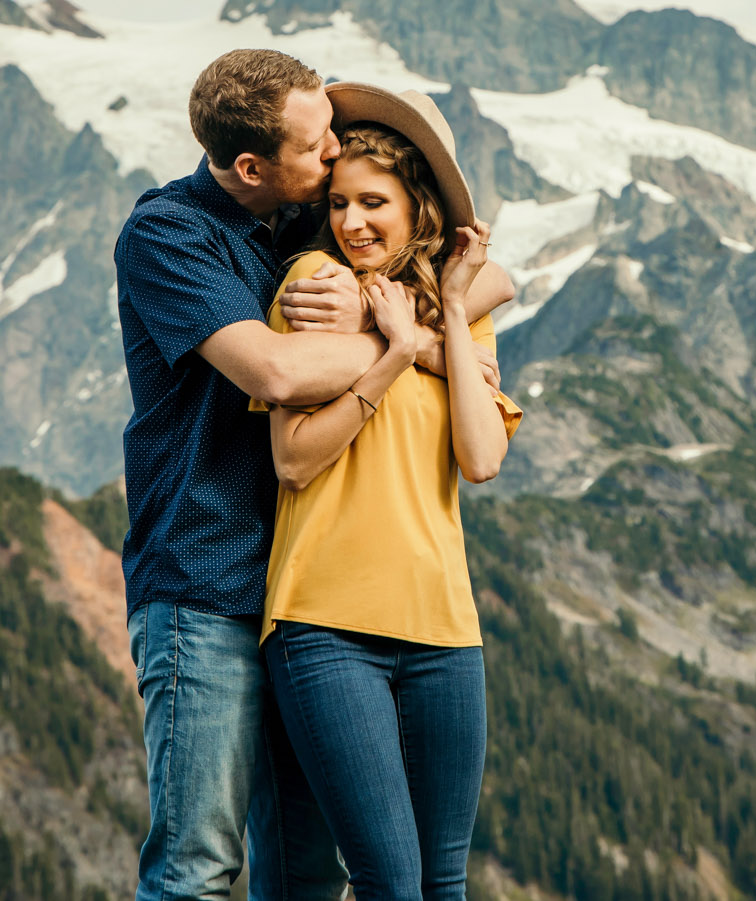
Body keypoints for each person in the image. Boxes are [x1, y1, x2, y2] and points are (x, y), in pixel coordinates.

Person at [113, 50, 512, 901]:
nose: (336, 154)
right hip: (207, 584)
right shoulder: (169, 234)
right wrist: (397, 344)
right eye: (318, 145)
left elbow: (493, 281)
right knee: (198, 868)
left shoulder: (302, 221)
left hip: (312, 595)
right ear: (253, 166)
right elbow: (279, 376)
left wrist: (412, 322)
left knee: (306, 874)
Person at [252, 82, 524, 901]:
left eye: (375, 202)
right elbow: (294, 461)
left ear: (418, 210)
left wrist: (442, 312)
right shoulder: (313, 284)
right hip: (324, 624)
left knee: (443, 883)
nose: (351, 222)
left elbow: (480, 458)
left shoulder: (460, 315)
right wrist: (395, 354)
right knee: (389, 882)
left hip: (444, 629)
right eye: (339, 202)